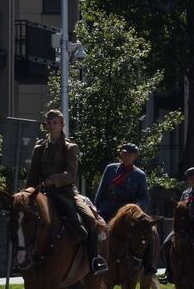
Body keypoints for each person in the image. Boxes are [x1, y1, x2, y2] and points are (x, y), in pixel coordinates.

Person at [25, 109, 107, 275]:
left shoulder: (70, 147)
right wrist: (28, 193)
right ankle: (22, 259)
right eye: (48, 122)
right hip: (42, 193)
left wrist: (53, 179)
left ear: (62, 124)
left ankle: (93, 260)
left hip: (66, 192)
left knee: (90, 220)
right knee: (21, 219)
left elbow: (71, 174)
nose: (51, 125)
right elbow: (31, 176)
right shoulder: (39, 148)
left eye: (55, 122)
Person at [94, 143, 154, 275]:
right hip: (108, 208)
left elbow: (144, 197)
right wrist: (95, 209)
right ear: (121, 154)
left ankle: (148, 264)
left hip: (128, 213)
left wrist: (136, 209)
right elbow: (101, 190)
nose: (126, 156)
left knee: (150, 230)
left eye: (130, 154)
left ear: (135, 156)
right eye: (124, 153)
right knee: (93, 227)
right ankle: (94, 259)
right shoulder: (110, 169)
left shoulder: (139, 175)